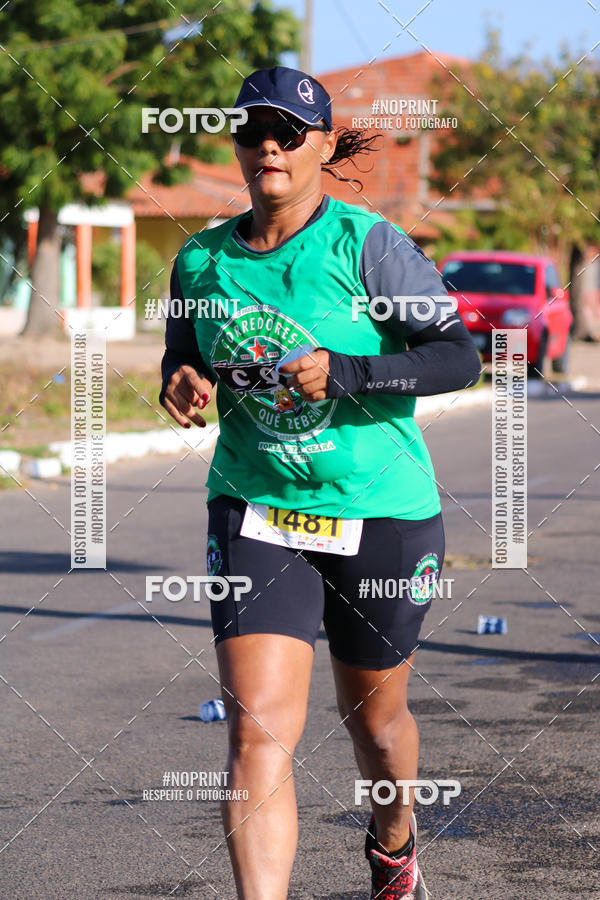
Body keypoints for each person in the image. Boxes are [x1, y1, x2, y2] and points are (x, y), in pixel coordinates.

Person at [160, 65, 480, 900]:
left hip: (380, 515)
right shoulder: (199, 263)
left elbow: (457, 358)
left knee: (374, 725)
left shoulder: (368, 247)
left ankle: (395, 840)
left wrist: (349, 370)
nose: (267, 146)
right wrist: (184, 382)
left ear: (324, 145)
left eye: (288, 133)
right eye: (251, 132)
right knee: (257, 731)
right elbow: (183, 358)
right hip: (259, 509)